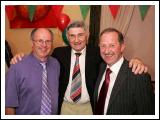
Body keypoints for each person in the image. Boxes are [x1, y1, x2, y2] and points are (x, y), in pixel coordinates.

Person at [10, 21, 148, 115]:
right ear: (67, 38)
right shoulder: (58, 53)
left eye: (80, 35)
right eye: (72, 36)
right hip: (65, 107)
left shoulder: (98, 52)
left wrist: (137, 61)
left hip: (89, 107)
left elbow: (115, 59)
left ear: (87, 36)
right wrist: (20, 56)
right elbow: (40, 54)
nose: (76, 40)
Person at [94, 28, 155, 115]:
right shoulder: (101, 67)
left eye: (112, 45)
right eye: (103, 45)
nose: (106, 51)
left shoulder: (138, 76)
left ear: (122, 47)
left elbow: (148, 113)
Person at [5, 28, 60, 115]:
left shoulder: (56, 64)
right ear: (32, 43)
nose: (44, 45)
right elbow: (9, 104)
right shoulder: (17, 67)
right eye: (40, 41)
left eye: (48, 41)